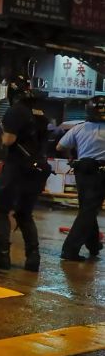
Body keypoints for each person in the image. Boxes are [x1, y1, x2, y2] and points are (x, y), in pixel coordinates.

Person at [0, 74, 51, 272]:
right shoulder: (40, 112)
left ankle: (2, 256)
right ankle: (33, 258)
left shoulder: (16, 110)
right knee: (24, 214)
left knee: (0, 209)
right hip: (39, 169)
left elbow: (8, 140)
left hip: (18, 167)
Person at [56, 95, 105, 261]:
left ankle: (93, 245)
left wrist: (71, 157)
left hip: (82, 171)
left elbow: (60, 146)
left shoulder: (79, 128)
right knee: (88, 211)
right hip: (99, 173)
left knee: (87, 209)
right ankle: (70, 249)